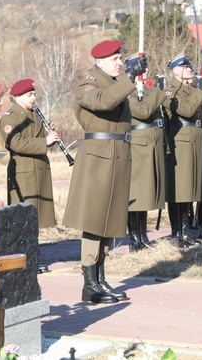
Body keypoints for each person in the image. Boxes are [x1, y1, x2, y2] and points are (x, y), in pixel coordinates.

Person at [63, 39, 145, 304]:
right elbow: (103, 103)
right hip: (97, 159)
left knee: (109, 220)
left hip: (117, 156)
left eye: (121, 59)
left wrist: (127, 79)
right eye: (115, 59)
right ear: (99, 62)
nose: (120, 63)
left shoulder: (114, 84)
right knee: (94, 221)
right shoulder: (88, 85)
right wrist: (129, 78)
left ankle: (100, 277)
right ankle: (89, 283)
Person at [0, 78, 59, 231]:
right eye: (30, 95)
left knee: (39, 219)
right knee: (23, 220)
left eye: (34, 94)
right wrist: (44, 141)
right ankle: (24, 253)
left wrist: (48, 136)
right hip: (24, 173)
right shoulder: (10, 117)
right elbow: (16, 143)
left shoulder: (35, 114)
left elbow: (38, 140)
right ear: (18, 97)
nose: (33, 98)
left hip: (40, 170)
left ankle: (36, 252)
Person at [163, 55, 202, 245]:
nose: (190, 68)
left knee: (190, 188)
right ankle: (178, 234)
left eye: (190, 65)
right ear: (175, 71)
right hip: (180, 142)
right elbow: (186, 110)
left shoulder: (191, 89)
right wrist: (200, 91)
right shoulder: (169, 91)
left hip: (195, 140)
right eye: (185, 66)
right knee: (180, 189)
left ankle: (186, 231)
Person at [125, 62, 167, 251]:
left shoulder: (146, 91)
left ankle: (142, 235)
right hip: (137, 145)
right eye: (141, 69)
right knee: (136, 194)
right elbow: (142, 112)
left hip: (151, 145)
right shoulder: (126, 92)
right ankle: (134, 238)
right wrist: (159, 92)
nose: (146, 72)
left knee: (145, 194)